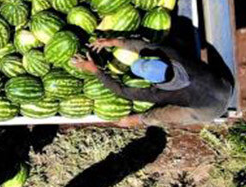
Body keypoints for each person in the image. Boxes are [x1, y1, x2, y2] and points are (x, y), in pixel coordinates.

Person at [70, 37, 235, 126]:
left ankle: (135, 121)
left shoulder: (160, 95)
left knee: (162, 115)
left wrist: (94, 70)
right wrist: (112, 42)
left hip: (209, 110)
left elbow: (121, 91)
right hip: (222, 85)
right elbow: (142, 46)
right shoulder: (171, 55)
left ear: (151, 82)